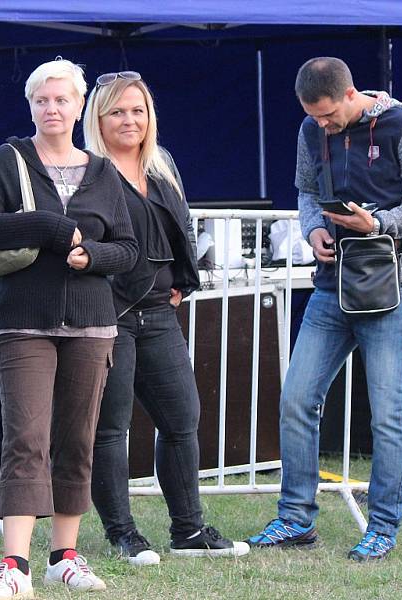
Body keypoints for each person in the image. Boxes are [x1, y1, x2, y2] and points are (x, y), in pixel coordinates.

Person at [248, 57, 402, 561]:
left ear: (352, 93)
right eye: (314, 116)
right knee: (295, 400)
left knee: (388, 417)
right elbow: (308, 190)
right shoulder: (308, 130)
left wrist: (378, 224)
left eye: (330, 116)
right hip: (330, 286)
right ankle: (295, 519)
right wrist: (313, 228)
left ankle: (383, 526)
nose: (323, 125)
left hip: (389, 290)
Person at [0, 57, 137, 599]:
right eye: (42, 100)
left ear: (80, 106)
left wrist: (92, 256)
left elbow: (129, 251)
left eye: (62, 99)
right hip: (23, 321)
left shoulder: (105, 173)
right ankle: (14, 565)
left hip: (91, 324)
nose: (52, 108)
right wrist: (48, 227)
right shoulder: (9, 158)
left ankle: (65, 556)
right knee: (25, 438)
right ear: (31, 106)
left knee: (76, 440)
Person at [83, 72, 249, 565]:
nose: (129, 120)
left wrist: (183, 279)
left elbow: (179, 228)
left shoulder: (161, 166)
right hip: (105, 315)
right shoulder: (87, 171)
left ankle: (189, 530)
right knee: (110, 429)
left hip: (158, 311)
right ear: (98, 118)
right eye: (117, 111)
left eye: (137, 110)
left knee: (182, 418)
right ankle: (123, 533)